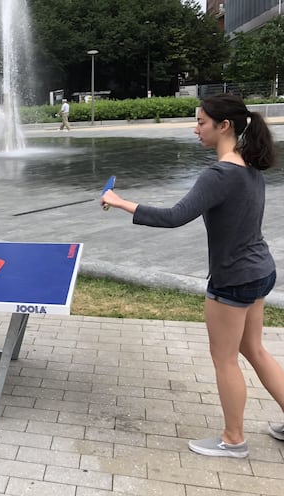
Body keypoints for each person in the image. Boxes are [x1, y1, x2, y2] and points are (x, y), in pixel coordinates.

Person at [101, 93, 283, 459]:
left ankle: (233, 440)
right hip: (260, 271)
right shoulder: (249, 166)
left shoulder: (219, 174)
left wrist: (121, 202)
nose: (195, 128)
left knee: (225, 359)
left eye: (201, 122)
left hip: (232, 279)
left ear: (224, 125)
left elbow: (174, 216)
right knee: (254, 349)